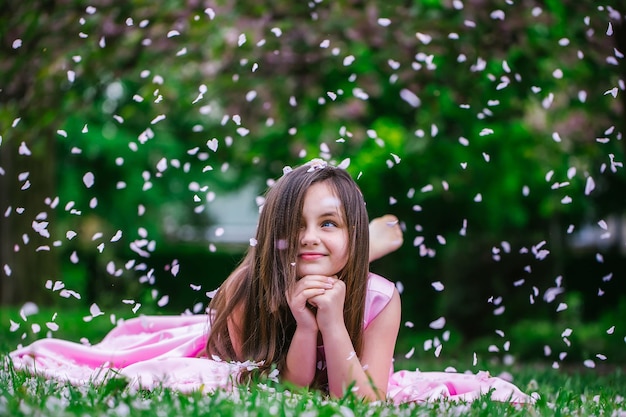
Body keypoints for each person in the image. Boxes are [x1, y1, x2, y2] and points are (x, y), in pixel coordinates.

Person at [8, 159, 531, 404]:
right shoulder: (244, 292)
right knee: (136, 357)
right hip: (225, 346)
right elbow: (290, 390)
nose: (309, 239)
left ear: (353, 234)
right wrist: (306, 327)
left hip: (350, 311)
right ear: (272, 233)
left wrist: (334, 320)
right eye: (295, 225)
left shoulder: (379, 298)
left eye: (329, 224)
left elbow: (365, 399)